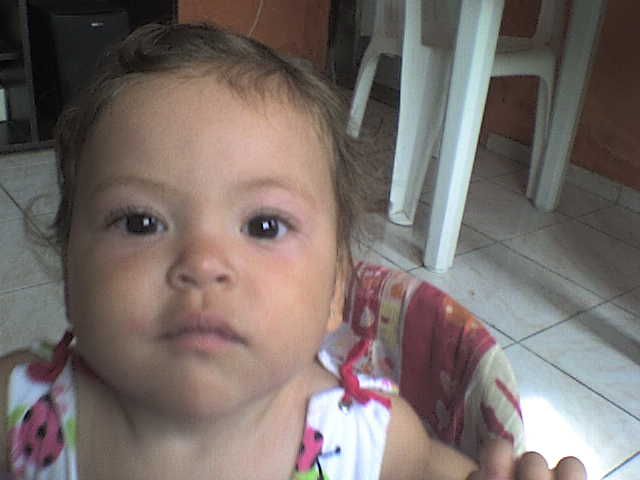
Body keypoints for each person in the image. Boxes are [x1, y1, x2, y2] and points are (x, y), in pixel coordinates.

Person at [0, 23, 587, 480]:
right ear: (70, 273)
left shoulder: (370, 440)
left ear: (335, 291)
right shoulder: (18, 413)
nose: (203, 263)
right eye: (140, 222)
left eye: (263, 225)